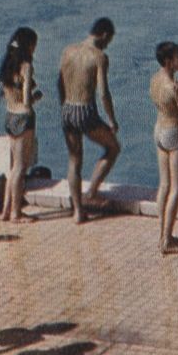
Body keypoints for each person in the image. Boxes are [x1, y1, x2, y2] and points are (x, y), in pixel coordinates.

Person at [58, 17, 121, 223]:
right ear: (104, 35)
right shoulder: (99, 57)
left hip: (67, 109)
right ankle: (92, 191)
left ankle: (78, 211)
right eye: (109, 39)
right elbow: (103, 92)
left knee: (74, 160)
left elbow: (59, 82)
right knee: (113, 147)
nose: (108, 44)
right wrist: (111, 120)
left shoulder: (68, 50)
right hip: (86, 111)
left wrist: (64, 106)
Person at [150, 41, 178, 253]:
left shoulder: (155, 80)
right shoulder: (174, 88)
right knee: (177, 187)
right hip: (173, 132)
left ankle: (162, 233)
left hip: (158, 130)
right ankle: (166, 240)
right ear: (169, 61)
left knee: (164, 185)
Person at [0, 27, 40, 223]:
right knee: (20, 168)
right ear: (29, 45)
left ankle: (6, 210)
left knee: (13, 167)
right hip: (24, 118)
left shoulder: (7, 65)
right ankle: (16, 213)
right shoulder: (26, 66)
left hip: (9, 116)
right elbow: (26, 101)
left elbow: (10, 96)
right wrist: (35, 97)